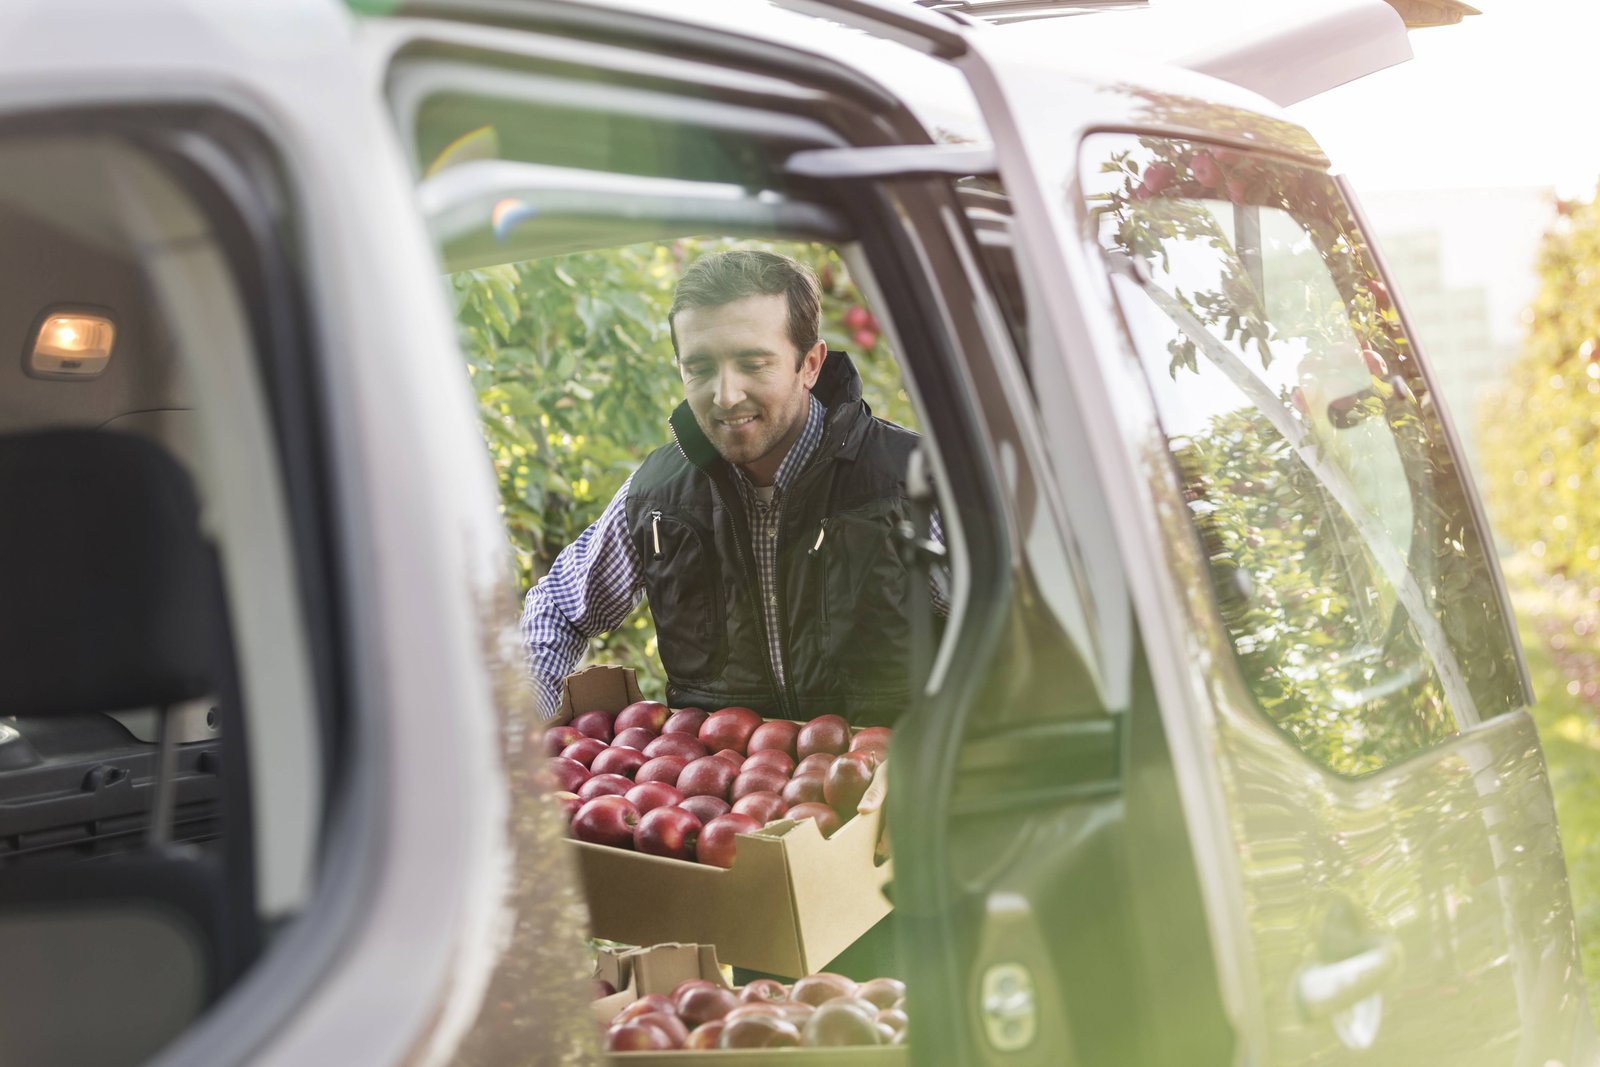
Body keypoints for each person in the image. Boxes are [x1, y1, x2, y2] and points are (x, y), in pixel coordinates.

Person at [521, 248, 944, 726]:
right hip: (721, 792)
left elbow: (1012, 638)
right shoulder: (659, 493)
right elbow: (558, 608)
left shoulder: (913, 482)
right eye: (699, 368)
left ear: (810, 364)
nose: (725, 396)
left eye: (753, 363)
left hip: (897, 783)